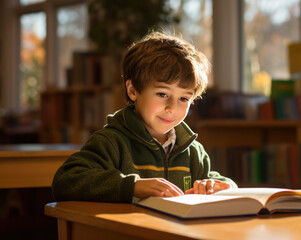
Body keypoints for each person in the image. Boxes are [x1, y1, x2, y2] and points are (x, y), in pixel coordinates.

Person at [51, 31, 237, 203]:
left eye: (183, 98)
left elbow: (214, 179)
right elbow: (65, 181)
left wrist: (224, 187)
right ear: (133, 90)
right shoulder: (111, 142)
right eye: (162, 94)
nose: (172, 108)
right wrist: (132, 186)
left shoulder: (193, 152)